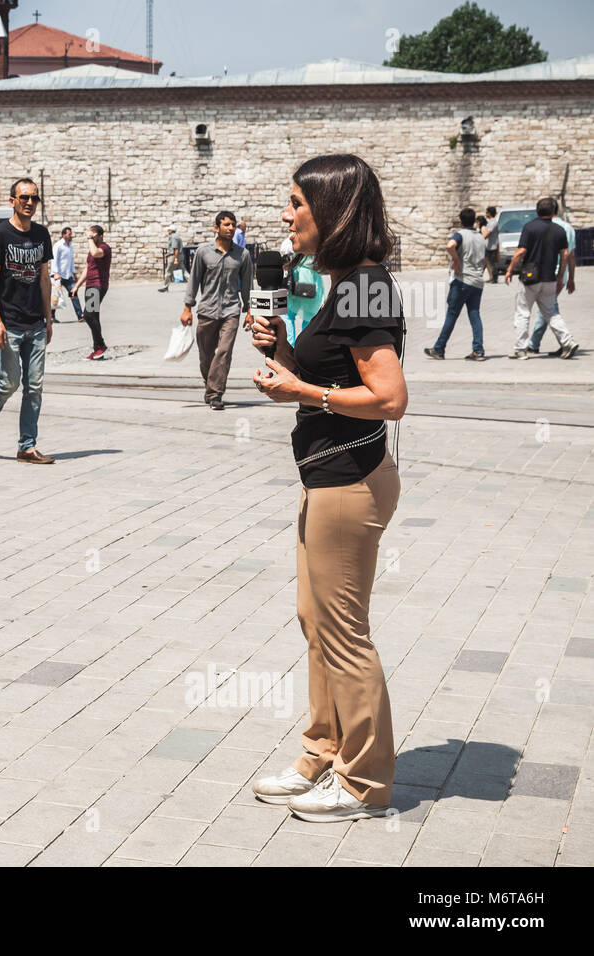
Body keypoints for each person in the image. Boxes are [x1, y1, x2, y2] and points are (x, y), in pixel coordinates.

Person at [248, 153, 406, 823]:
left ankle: (365, 782)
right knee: (316, 621)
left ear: (334, 212)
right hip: (325, 474)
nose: (286, 215)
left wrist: (302, 388)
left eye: (296, 204)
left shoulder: (367, 285)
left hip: (350, 479)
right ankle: (323, 749)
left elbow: (390, 397)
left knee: (343, 631)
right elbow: (317, 375)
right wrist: (279, 351)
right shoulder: (335, 282)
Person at [0, 177, 55, 464]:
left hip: (36, 325)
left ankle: (27, 447)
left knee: (35, 387)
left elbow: (44, 277)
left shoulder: (43, 235)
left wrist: (49, 318)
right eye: (24, 198)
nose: (30, 203)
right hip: (8, 325)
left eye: (34, 198)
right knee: (9, 383)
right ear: (12, 201)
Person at [182, 211, 252, 410]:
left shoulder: (243, 255)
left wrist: (249, 311)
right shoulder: (203, 252)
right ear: (216, 228)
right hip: (207, 311)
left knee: (224, 351)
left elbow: (247, 285)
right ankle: (211, 385)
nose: (231, 228)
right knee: (206, 356)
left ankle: (215, 394)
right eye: (227, 225)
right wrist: (187, 308)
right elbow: (194, 281)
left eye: (233, 225)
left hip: (231, 310)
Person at [504, 196, 576, 360]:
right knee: (551, 313)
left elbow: (521, 251)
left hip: (530, 278)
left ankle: (521, 349)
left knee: (523, 312)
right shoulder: (560, 230)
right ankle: (567, 341)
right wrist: (560, 276)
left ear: (537, 210)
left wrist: (509, 269)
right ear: (554, 211)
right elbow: (565, 254)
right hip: (549, 278)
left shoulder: (529, 227)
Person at [425, 207, 487, 361]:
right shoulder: (480, 237)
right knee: (475, 315)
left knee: (451, 315)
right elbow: (484, 259)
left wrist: (457, 260)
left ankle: (439, 349)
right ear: (474, 221)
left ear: (460, 221)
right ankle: (478, 350)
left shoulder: (460, 235)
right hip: (477, 282)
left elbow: (450, 245)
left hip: (462, 281)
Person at [526, 211, 578, 356]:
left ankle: (563, 341)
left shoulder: (547, 227)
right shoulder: (568, 228)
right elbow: (571, 255)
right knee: (549, 307)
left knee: (549, 309)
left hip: (547, 273)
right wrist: (571, 277)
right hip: (562, 274)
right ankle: (558, 342)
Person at [73, 224, 111, 359]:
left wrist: (89, 238)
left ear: (100, 236)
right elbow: (88, 268)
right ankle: (98, 350)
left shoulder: (104, 248)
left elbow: (96, 253)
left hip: (98, 286)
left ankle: (101, 346)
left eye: (93, 235)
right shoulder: (92, 249)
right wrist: (77, 286)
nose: (91, 237)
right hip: (90, 285)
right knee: (93, 316)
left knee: (88, 315)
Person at [51, 226, 83, 320]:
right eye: (69, 234)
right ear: (63, 235)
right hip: (58, 276)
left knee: (74, 293)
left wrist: (74, 274)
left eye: (71, 234)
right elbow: (54, 259)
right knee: (56, 295)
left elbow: (71, 260)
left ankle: (80, 315)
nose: (71, 236)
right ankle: (52, 316)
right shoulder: (58, 245)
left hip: (68, 276)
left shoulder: (70, 245)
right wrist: (56, 273)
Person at [482, 206, 500, 283]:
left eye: (486, 212)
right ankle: (492, 277)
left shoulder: (493, 222)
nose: (486, 214)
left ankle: (494, 278)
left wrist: (479, 239)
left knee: (492, 263)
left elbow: (488, 233)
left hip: (492, 246)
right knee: (489, 263)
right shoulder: (490, 222)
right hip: (489, 246)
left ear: (489, 213)